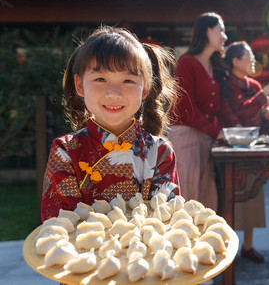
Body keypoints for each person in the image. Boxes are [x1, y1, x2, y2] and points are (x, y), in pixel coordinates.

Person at [41, 26, 180, 221]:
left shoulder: (159, 153)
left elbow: (167, 221)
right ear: (79, 85)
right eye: (100, 79)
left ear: (145, 89)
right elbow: (59, 226)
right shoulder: (65, 152)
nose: (113, 93)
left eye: (128, 81)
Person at [220, 41, 269, 263]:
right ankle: (224, 245)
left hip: (252, 147)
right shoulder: (224, 84)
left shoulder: (255, 85)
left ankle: (248, 245)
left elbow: (260, 111)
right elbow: (238, 112)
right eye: (248, 55)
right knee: (227, 197)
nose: (252, 59)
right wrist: (266, 93)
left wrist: (267, 113)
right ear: (235, 61)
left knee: (253, 195)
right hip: (229, 148)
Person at [167, 12, 239, 211]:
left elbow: (220, 105)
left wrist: (236, 127)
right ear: (207, 31)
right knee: (187, 202)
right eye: (221, 30)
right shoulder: (187, 62)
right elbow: (186, 108)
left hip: (204, 138)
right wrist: (218, 132)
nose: (224, 36)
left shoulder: (213, 66)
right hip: (185, 139)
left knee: (205, 201)